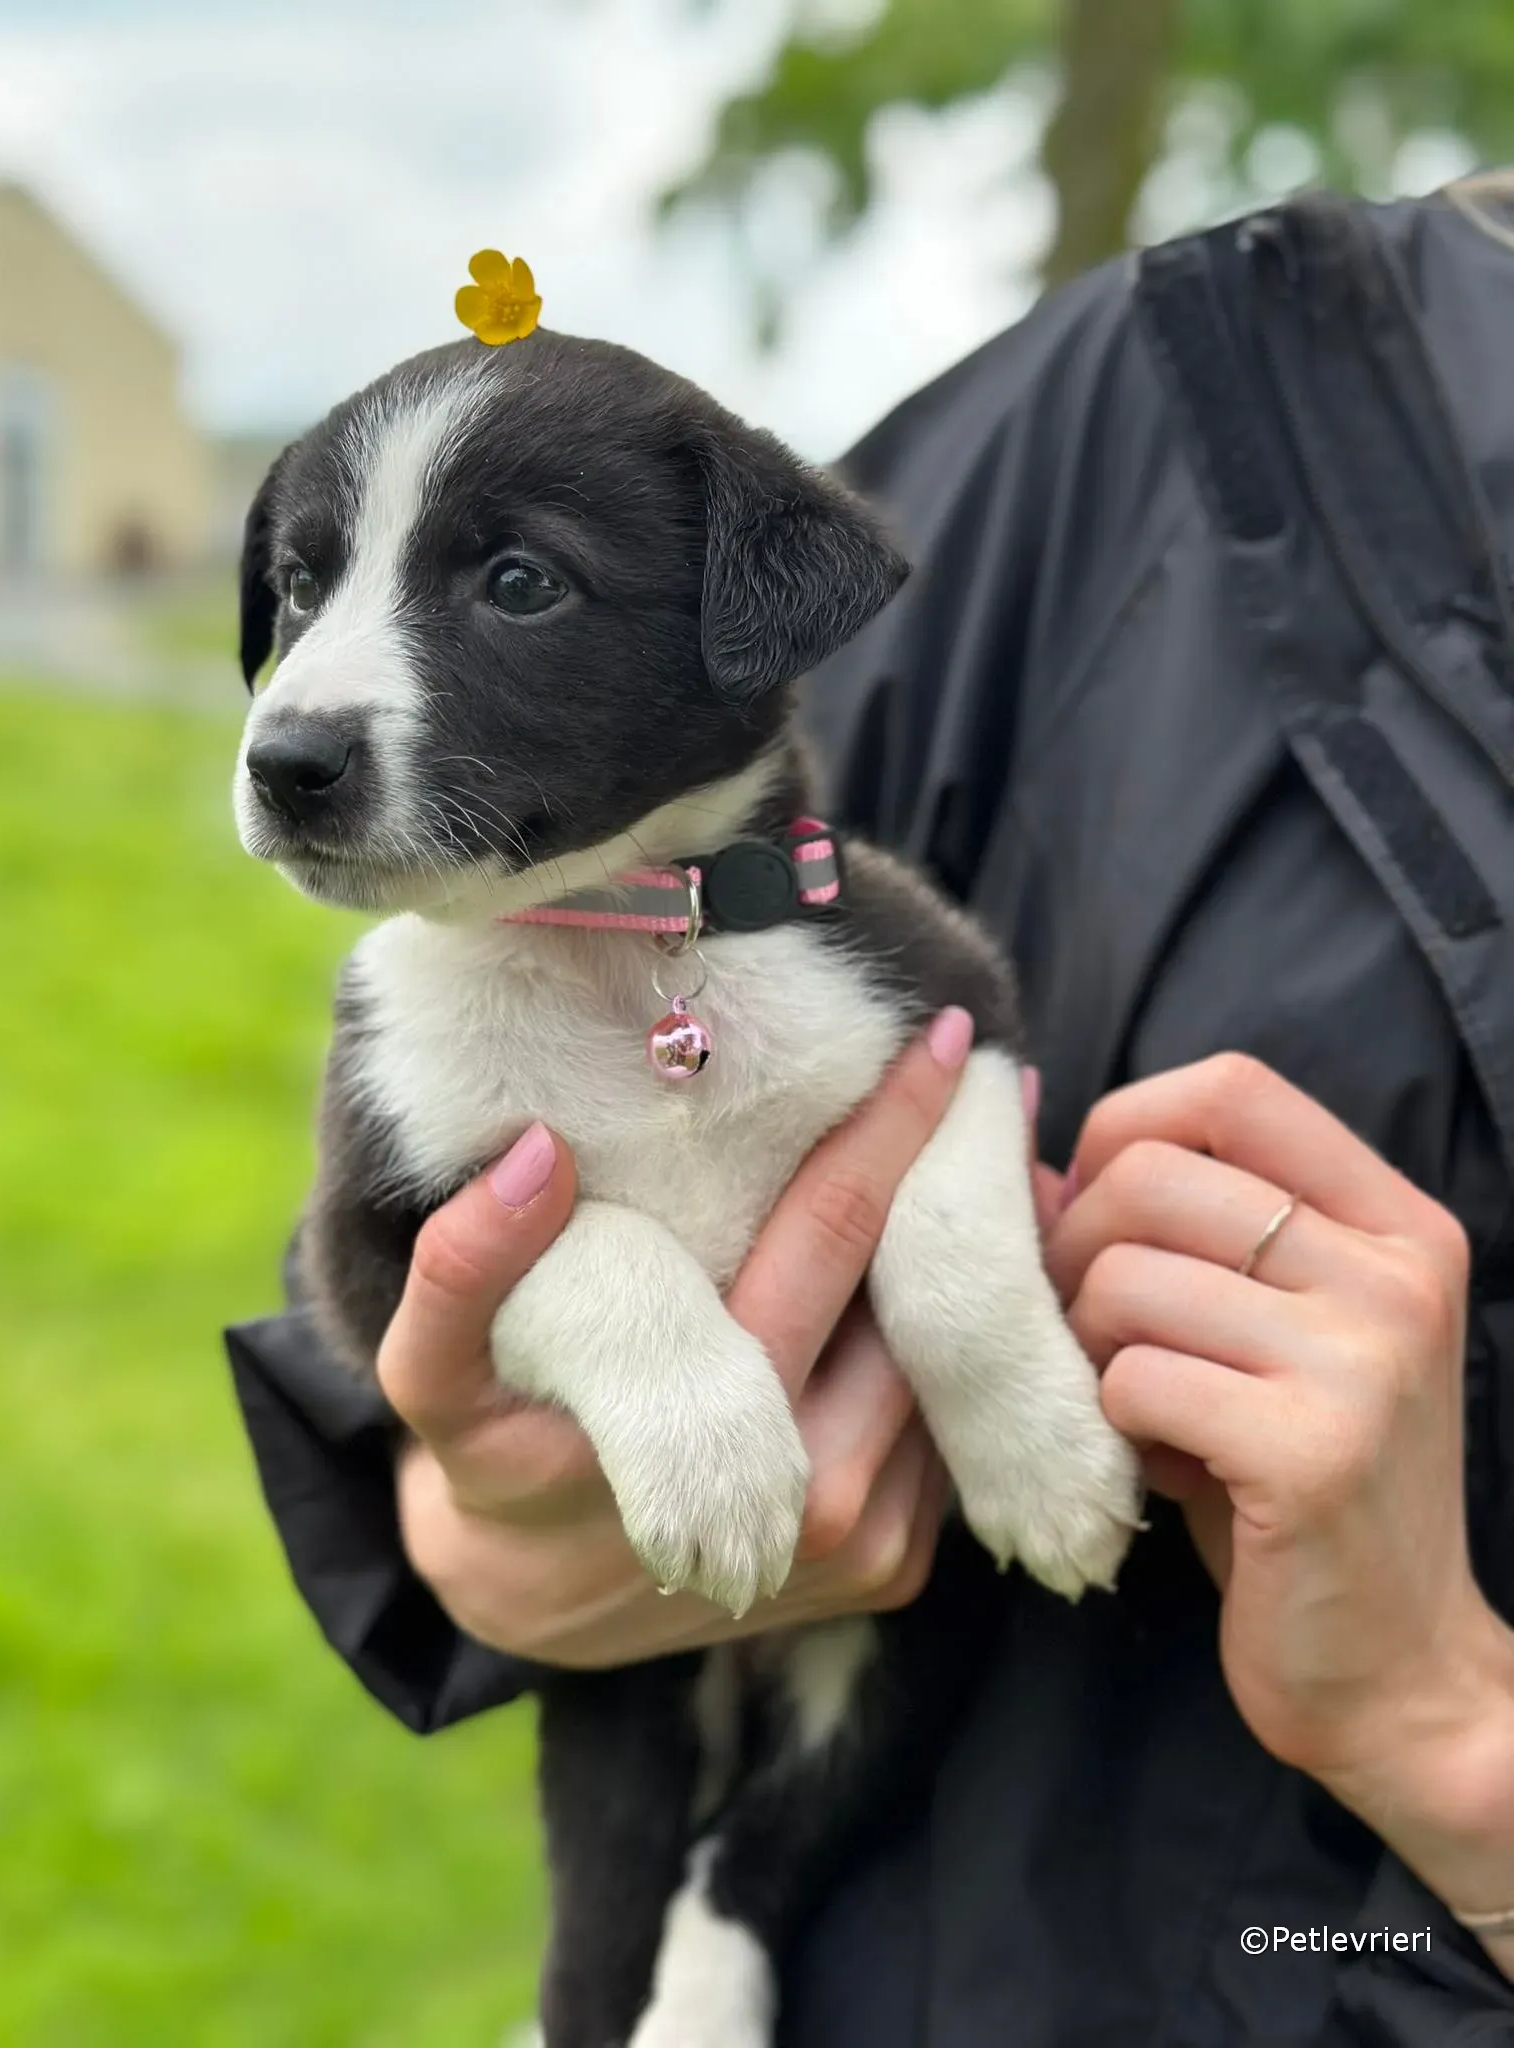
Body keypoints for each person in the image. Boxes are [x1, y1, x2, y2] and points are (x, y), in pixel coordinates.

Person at [226, 177, 1514, 2044]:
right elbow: (391, 1275)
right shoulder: (1131, 403)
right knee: (612, 1811)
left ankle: (735, 1916)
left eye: (514, 582)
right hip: (738, 1729)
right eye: (305, 582)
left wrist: (984, 1336)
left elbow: (955, 1072)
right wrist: (462, 1497)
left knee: (841, 1735)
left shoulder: (825, 917)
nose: (307, 698)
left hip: (1120, 1853)